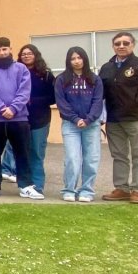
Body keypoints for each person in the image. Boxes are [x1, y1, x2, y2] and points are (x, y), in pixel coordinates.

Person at [99, 31, 138, 204]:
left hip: (137, 118)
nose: (121, 46)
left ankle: (137, 190)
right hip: (114, 120)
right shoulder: (107, 68)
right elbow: (99, 92)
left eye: (125, 43)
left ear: (133, 45)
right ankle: (122, 188)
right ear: (113, 46)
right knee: (119, 155)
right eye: (117, 43)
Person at [0, 37, 43, 200]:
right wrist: (1, 108)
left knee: (23, 153)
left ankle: (26, 186)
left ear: (10, 49)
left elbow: (24, 92)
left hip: (18, 118)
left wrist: (13, 108)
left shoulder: (21, 68)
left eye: (4, 49)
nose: (2, 52)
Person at [55, 47, 104, 202]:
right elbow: (61, 103)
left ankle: (86, 191)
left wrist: (89, 119)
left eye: (79, 57)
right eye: (73, 58)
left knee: (91, 159)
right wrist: (75, 119)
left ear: (84, 59)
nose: (76, 61)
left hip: (92, 125)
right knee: (72, 158)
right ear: (69, 61)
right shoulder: (62, 79)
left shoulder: (95, 79)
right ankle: (69, 189)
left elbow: (98, 102)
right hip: (71, 125)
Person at [17, 44, 56, 195]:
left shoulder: (45, 74)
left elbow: (53, 97)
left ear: (36, 55)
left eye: (29, 53)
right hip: (20, 118)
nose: (26, 56)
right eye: (23, 54)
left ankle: (37, 185)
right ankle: (24, 184)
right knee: (21, 152)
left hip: (40, 119)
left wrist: (33, 100)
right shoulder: (16, 72)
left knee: (37, 153)